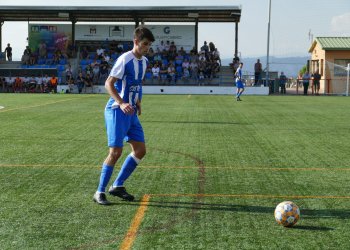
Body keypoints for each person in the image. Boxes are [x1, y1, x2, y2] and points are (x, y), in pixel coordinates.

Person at [93, 26, 155, 205]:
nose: (147, 48)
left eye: (149, 45)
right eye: (144, 44)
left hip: (131, 112)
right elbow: (108, 84)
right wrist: (121, 102)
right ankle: (99, 192)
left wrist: (138, 101)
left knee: (140, 150)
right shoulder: (124, 59)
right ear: (136, 42)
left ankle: (117, 185)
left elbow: (136, 84)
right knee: (116, 152)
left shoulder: (144, 62)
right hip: (116, 111)